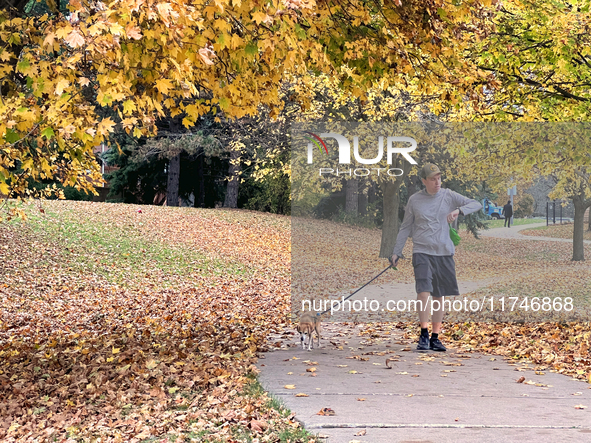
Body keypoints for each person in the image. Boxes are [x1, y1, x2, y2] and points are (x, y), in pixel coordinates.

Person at [390, 164, 482, 352]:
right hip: (422, 251)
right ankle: (423, 334)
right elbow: (406, 227)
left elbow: (476, 204)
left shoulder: (448, 195)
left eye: (439, 177)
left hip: (444, 252)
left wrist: (459, 211)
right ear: (423, 181)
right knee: (423, 292)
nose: (437, 182)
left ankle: (435, 337)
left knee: (439, 296)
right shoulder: (415, 200)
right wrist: (396, 251)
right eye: (432, 179)